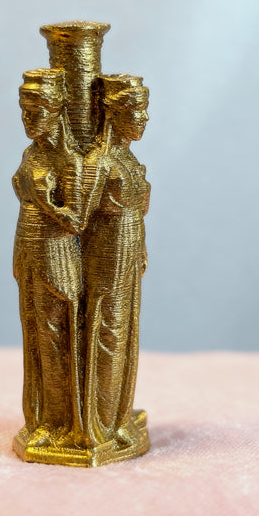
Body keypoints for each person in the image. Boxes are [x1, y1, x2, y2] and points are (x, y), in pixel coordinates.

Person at [12, 69, 85, 450]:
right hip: (28, 248)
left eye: (35, 111)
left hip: (56, 252)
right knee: (37, 336)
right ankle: (42, 417)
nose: (28, 119)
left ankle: (60, 421)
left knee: (55, 336)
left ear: (56, 111)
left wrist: (46, 204)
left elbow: (77, 220)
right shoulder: (32, 153)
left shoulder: (69, 160)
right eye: (24, 111)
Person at [81, 74, 151, 450]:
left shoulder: (127, 158)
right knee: (106, 330)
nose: (144, 118)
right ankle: (100, 421)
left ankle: (119, 416)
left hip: (130, 248)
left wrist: (142, 246)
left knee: (125, 330)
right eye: (137, 110)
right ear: (114, 113)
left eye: (144, 110)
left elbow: (138, 208)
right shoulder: (99, 161)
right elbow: (79, 220)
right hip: (106, 253)